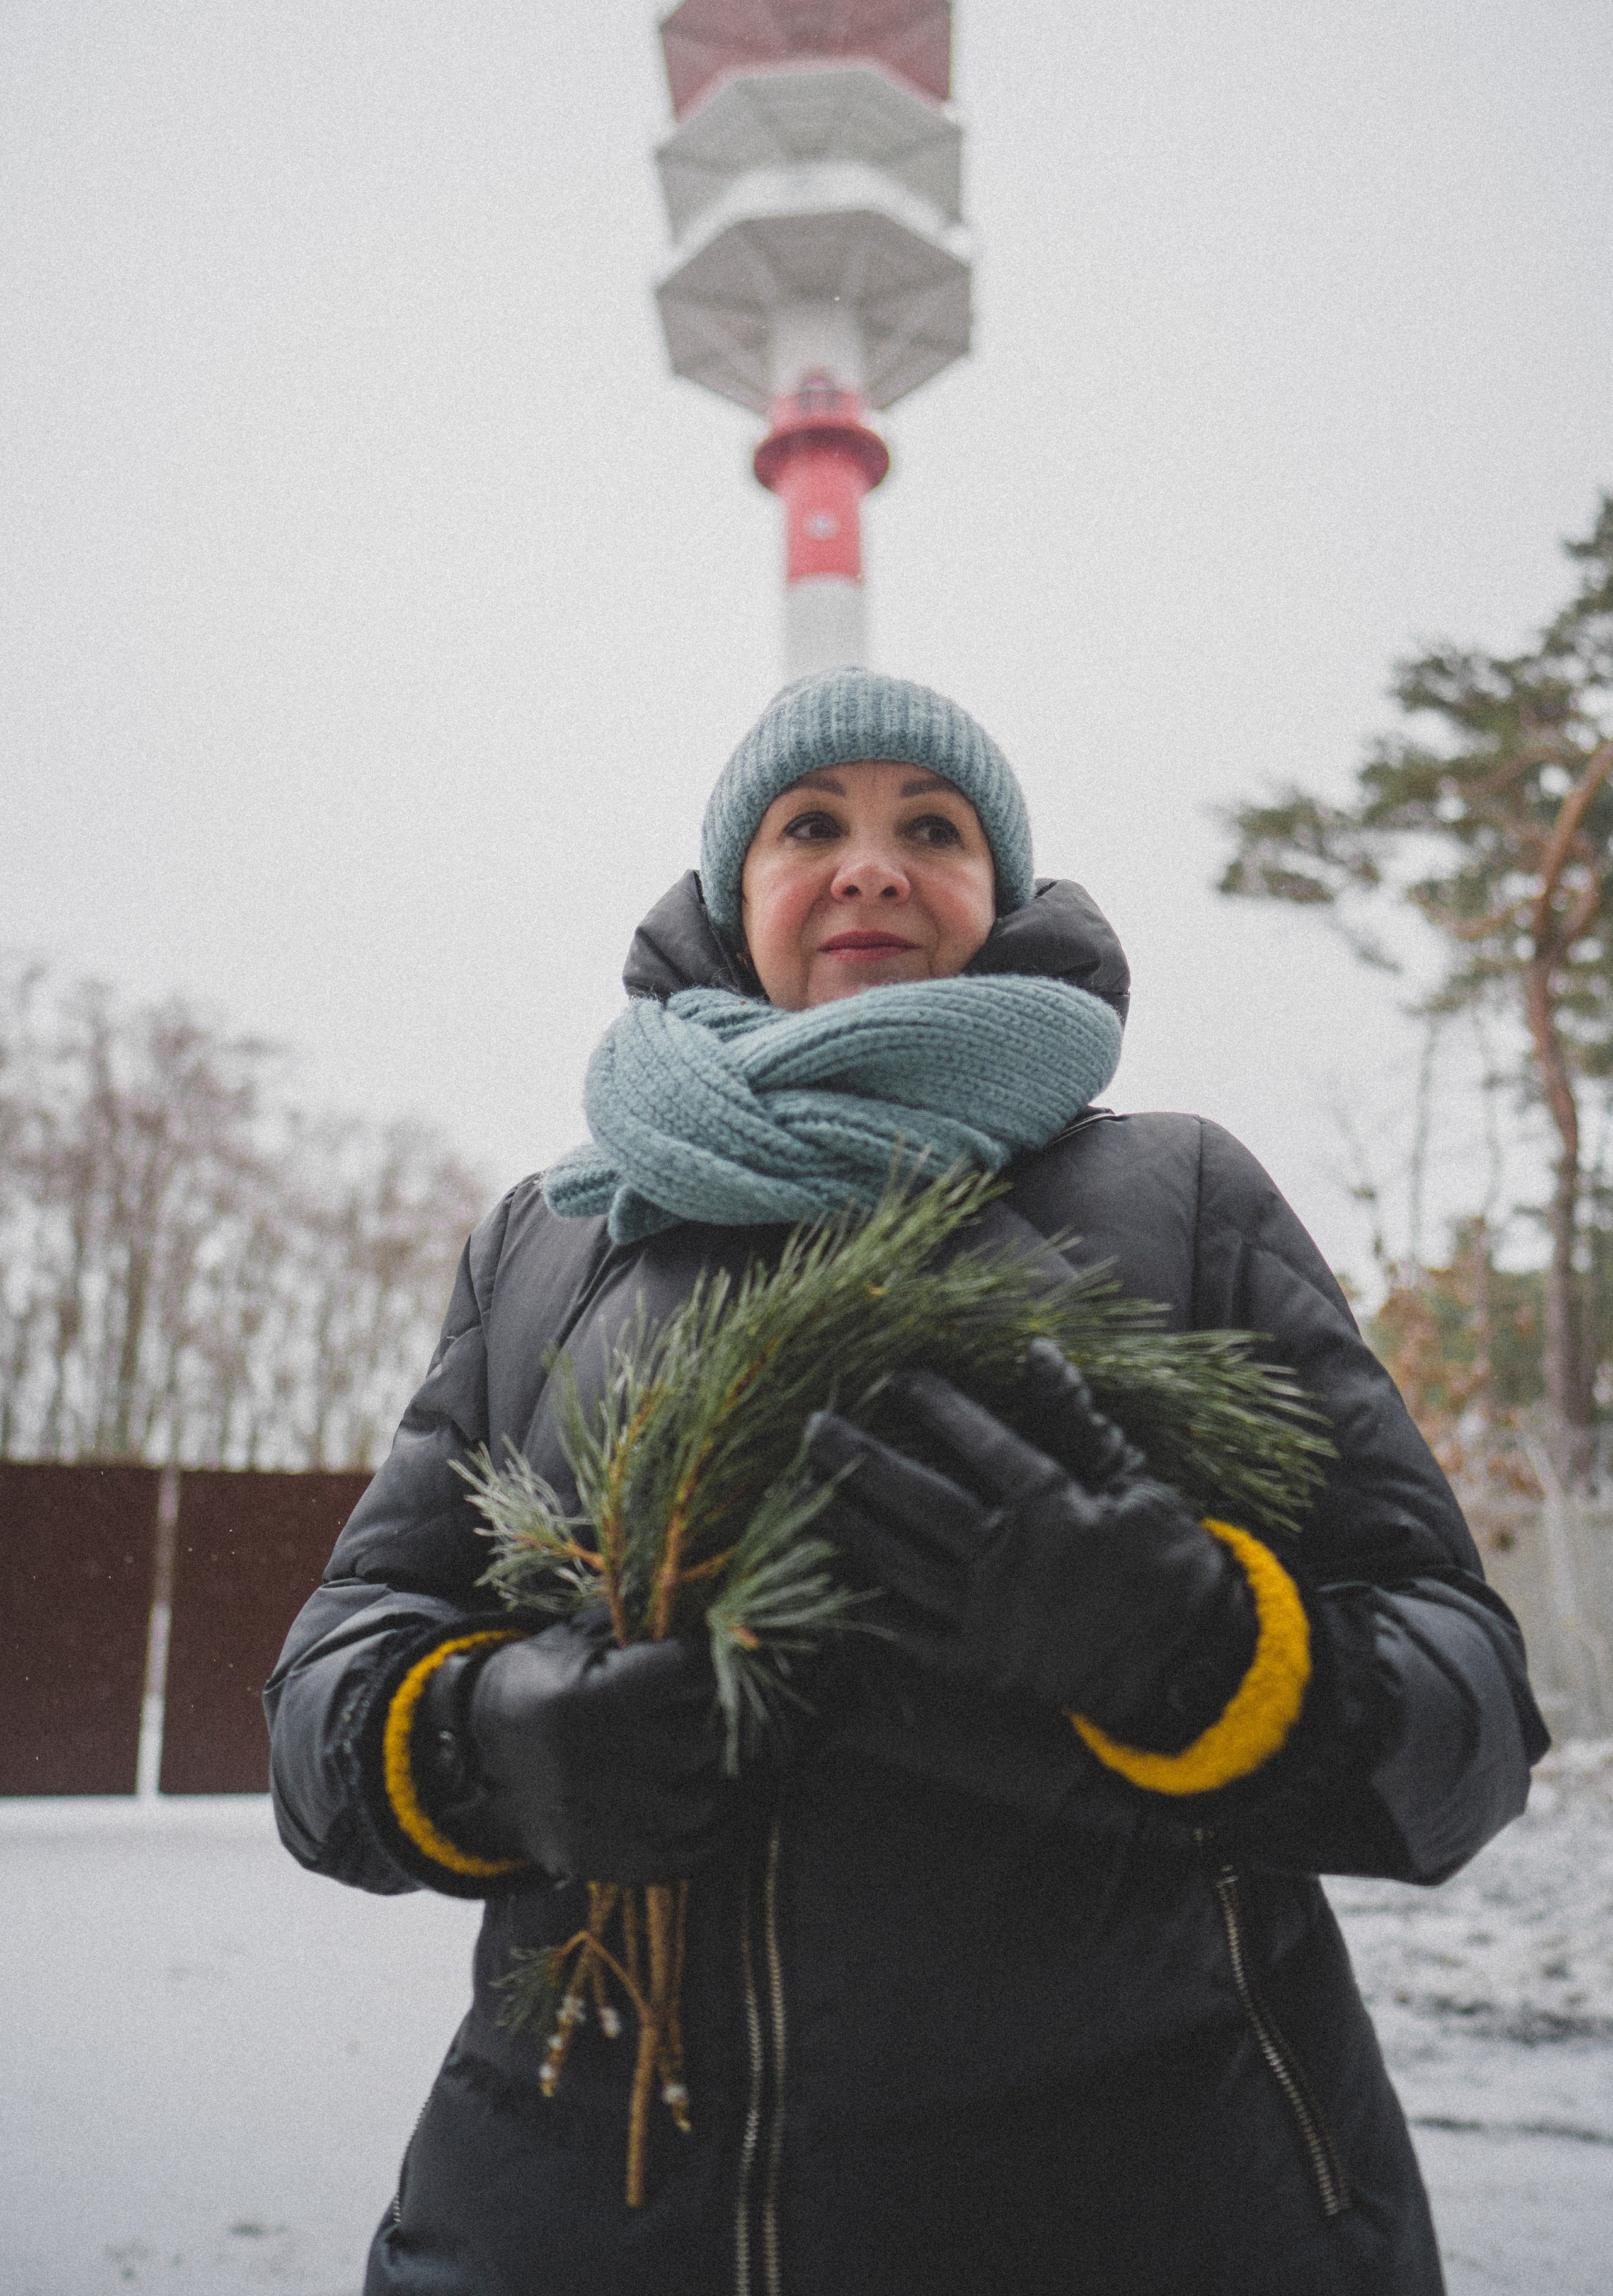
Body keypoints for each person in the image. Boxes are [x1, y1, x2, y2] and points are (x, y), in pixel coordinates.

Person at [266, 667, 1546, 2296]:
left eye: (930, 828)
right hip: (578, 2213)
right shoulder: (551, 1241)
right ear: (734, 905)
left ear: (996, 902)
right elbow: (337, 1669)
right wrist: (479, 1737)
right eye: (813, 824)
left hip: (1140, 2213)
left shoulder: (1176, 1195)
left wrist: (1209, 1652)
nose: (870, 863)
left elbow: (1469, 1703)